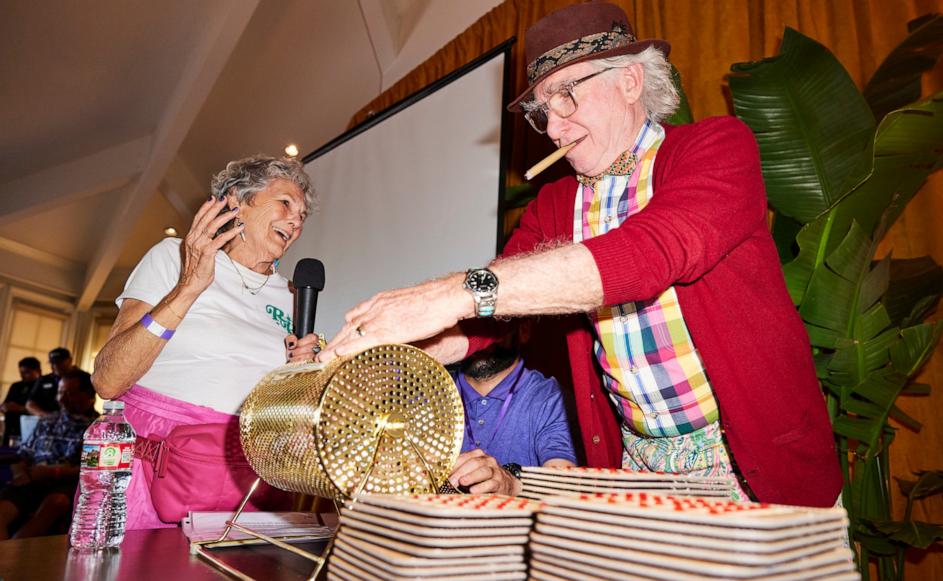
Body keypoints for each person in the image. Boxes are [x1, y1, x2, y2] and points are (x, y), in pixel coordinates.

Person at [320, 2, 841, 507]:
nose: (552, 126)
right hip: (634, 461)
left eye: (566, 96)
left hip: (749, 458)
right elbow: (493, 315)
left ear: (630, 81)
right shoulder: (556, 202)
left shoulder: (716, 147)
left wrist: (447, 293)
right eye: (542, 109)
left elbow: (651, 253)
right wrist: (401, 355)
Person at [91, 155, 319, 530]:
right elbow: (108, 380)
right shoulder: (174, 257)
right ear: (237, 201)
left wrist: (298, 376)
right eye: (285, 203)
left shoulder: (293, 297)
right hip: (157, 469)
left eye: (303, 215)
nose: (296, 221)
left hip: (249, 477)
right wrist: (189, 287)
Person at [448, 321, 576, 495]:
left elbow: (565, 487)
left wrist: (511, 484)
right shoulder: (428, 390)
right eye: (468, 322)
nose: (478, 334)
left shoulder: (549, 397)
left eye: (492, 322)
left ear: (524, 330)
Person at [0, 369, 97, 539]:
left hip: (66, 484)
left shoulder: (97, 428)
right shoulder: (48, 420)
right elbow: (23, 454)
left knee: (56, 502)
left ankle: (13, 556)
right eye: (59, 392)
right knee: (3, 511)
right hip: (33, 480)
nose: (61, 399)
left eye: (69, 394)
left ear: (89, 396)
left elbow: (90, 470)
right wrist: (21, 473)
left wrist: (54, 473)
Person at [25, 348, 90, 417]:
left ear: (70, 360)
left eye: (59, 362)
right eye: (52, 363)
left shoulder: (85, 377)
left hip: (80, 421)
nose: (55, 366)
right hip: (51, 421)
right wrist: (47, 416)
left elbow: (89, 400)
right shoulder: (44, 380)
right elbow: (30, 404)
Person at [1, 357, 42, 445]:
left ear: (38, 371)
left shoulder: (43, 386)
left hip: (31, 431)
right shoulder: (16, 386)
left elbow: (44, 411)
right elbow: (5, 404)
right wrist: (4, 407)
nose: (22, 376)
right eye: (21, 373)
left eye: (26, 372)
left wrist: (20, 408)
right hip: (10, 429)